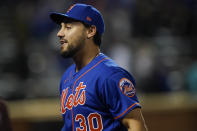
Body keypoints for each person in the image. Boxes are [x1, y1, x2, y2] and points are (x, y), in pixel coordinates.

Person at [50, 3, 148, 131]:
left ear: (90, 31)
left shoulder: (110, 75)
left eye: (68, 27)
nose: (60, 33)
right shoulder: (66, 77)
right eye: (61, 27)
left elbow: (136, 126)